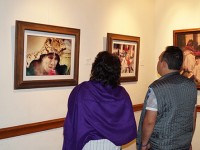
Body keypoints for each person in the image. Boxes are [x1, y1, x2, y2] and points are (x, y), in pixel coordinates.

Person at [62, 51, 137, 150]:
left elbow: (72, 121)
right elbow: (126, 122)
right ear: (117, 72)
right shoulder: (122, 93)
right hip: (113, 144)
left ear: (95, 68)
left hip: (88, 143)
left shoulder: (82, 90)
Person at [136, 46, 197, 150]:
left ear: (164, 64)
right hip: (184, 145)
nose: (158, 63)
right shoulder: (191, 85)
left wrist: (144, 144)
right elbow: (193, 116)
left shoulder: (156, 88)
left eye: (159, 60)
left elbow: (149, 121)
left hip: (160, 145)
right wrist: (188, 141)